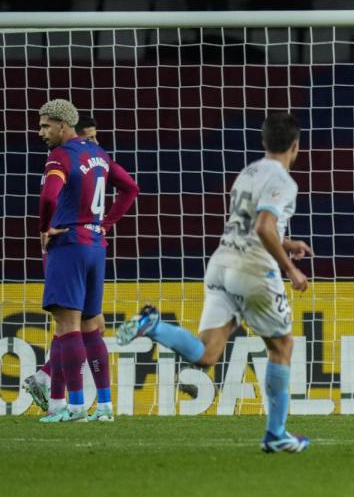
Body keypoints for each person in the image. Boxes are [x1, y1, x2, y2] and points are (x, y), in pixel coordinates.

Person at [117, 113, 312, 453]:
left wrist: (286, 242)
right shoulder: (284, 180)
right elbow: (264, 227)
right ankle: (276, 434)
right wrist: (290, 268)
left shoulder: (247, 173)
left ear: (264, 142)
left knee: (207, 354)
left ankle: (153, 325)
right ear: (295, 146)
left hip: (221, 264)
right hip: (253, 271)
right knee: (282, 347)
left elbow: (251, 225)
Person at [29, 101, 139, 422]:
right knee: (92, 328)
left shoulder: (60, 156)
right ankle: (103, 407)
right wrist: (106, 223)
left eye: (46, 125)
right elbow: (131, 188)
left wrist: (45, 228)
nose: (41, 132)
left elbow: (49, 196)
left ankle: (72, 407)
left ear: (64, 125)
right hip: (96, 245)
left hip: (69, 244)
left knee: (67, 326)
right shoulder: (99, 154)